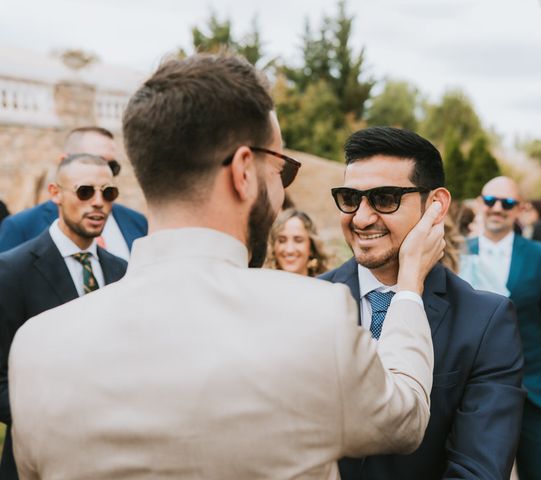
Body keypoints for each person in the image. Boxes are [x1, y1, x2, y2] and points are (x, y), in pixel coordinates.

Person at [8, 54, 444, 480]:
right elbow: (403, 420)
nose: (280, 191)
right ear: (243, 172)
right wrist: (408, 288)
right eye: (281, 170)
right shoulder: (315, 317)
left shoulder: (34, 347)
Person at [321, 127, 525, 480]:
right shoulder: (309, 301)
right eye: (350, 198)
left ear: (436, 205)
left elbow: (478, 470)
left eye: (385, 198)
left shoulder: (486, 322)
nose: (361, 217)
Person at [0, 154, 127, 480]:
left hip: (116, 457)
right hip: (40, 459)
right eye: (85, 192)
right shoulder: (11, 271)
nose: (98, 203)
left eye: (108, 193)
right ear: (56, 193)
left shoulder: (122, 270)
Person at [466, 176, 541, 480]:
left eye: (507, 203)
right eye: (490, 201)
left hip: (534, 392)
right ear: (480, 204)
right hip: (472, 395)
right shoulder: (458, 253)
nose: (497, 208)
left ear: (519, 209)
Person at [0, 127, 147, 259]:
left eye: (112, 166)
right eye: (93, 161)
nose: (104, 170)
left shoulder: (137, 222)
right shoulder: (21, 227)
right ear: (64, 161)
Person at [265, 208, 330, 276]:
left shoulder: (326, 285)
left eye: (298, 240)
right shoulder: (260, 284)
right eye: (282, 241)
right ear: (273, 247)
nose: (289, 250)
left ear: (311, 247)